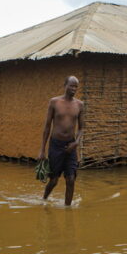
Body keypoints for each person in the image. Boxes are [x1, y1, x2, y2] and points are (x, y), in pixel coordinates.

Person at [38, 76, 84, 206]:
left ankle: (67, 209)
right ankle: (44, 200)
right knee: (53, 180)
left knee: (71, 179)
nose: (74, 89)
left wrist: (76, 143)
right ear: (65, 85)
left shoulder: (80, 105)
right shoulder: (54, 102)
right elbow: (47, 127)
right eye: (71, 85)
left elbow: (81, 129)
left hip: (71, 145)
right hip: (56, 145)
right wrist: (42, 150)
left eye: (76, 86)